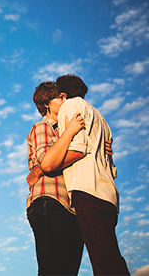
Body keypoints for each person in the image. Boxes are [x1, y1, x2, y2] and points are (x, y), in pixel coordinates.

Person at [52, 74, 129, 275]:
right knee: (108, 255)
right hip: (108, 195)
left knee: (105, 263)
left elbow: (78, 148)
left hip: (88, 189)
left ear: (62, 94)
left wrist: (49, 164)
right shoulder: (101, 118)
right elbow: (112, 168)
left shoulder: (69, 106)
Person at [25, 82, 87, 275]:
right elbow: (46, 161)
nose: (65, 100)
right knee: (53, 269)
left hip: (70, 206)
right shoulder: (42, 127)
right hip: (48, 201)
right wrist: (70, 132)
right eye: (60, 97)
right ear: (46, 104)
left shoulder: (63, 130)